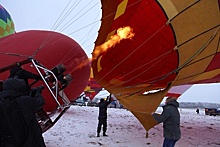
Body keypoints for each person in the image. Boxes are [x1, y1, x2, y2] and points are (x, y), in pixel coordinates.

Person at [1, 78, 46, 147]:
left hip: (15, 142)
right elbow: (40, 102)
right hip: (32, 139)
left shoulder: (2, 104)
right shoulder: (25, 100)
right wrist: (37, 92)